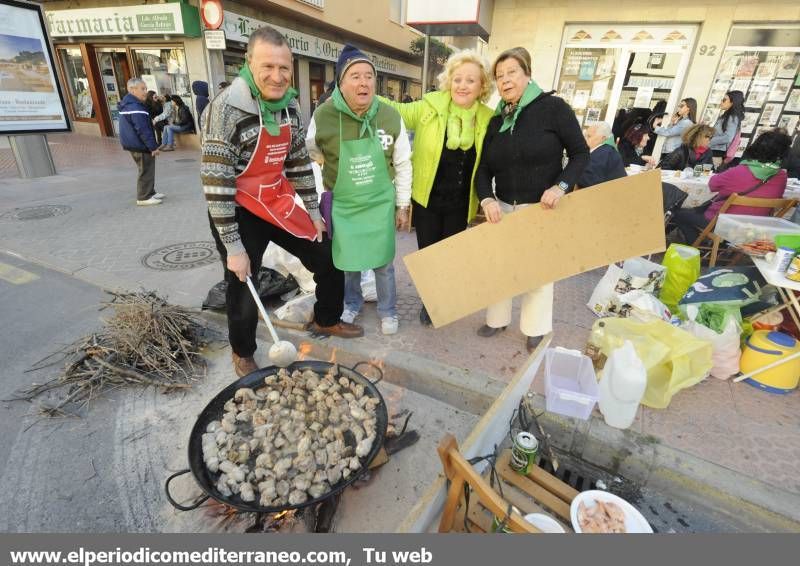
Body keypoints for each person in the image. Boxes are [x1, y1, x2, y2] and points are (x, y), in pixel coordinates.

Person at [200, 26, 363, 378]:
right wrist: (233, 246)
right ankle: (243, 351)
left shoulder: (290, 105)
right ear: (250, 64)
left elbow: (299, 163)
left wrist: (314, 212)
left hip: (274, 198)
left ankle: (327, 318)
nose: (277, 76)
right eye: (268, 67)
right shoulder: (225, 109)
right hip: (237, 208)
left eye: (284, 68)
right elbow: (216, 182)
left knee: (327, 252)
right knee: (243, 281)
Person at [475, 47, 589, 353]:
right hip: (503, 208)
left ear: (527, 74)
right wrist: (487, 199)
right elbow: (483, 168)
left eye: (512, 72)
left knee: (538, 272)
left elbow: (580, 152)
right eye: (499, 76)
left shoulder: (554, 108)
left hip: (541, 207)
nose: (505, 80)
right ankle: (497, 320)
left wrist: (561, 186)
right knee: (500, 267)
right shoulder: (498, 117)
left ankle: (535, 328)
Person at [380, 50, 494, 326]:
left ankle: (442, 299)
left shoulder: (489, 118)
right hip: (427, 199)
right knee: (429, 256)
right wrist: (365, 91)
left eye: (470, 80)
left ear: (482, 87)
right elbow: (398, 112)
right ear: (448, 81)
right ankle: (430, 303)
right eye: (457, 79)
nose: (462, 85)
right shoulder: (430, 106)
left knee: (449, 257)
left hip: (460, 202)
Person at [306, 44, 412, 336]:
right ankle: (350, 304)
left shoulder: (390, 116)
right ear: (341, 83)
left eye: (369, 76)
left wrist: (403, 205)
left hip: (379, 204)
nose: (364, 82)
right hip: (344, 205)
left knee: (383, 264)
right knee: (348, 262)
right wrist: (319, 195)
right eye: (355, 76)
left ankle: (388, 311)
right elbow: (311, 153)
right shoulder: (324, 116)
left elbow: (403, 162)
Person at [671, 129, 791, 244]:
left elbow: (712, 184)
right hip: (755, 227)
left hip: (723, 223)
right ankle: (721, 248)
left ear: (756, 147)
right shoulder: (781, 176)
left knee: (679, 214)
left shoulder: (740, 171)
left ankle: (697, 246)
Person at [118, 77, 164, 206]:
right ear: (132, 90)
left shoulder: (132, 104)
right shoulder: (134, 106)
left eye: (146, 88)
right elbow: (143, 129)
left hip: (135, 143)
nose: (145, 91)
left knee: (147, 168)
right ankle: (143, 197)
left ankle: (150, 192)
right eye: (142, 89)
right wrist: (153, 147)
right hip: (139, 144)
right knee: (145, 169)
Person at [577, 121, 626, 188]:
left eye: (589, 136)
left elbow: (588, 181)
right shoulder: (608, 150)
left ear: (603, 138)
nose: (584, 139)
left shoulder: (602, 153)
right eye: (585, 135)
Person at [710, 90, 744, 166]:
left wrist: (709, 141)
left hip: (717, 153)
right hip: (714, 151)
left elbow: (728, 137)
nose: (721, 102)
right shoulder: (726, 116)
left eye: (724, 100)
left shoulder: (732, 118)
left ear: (732, 102)